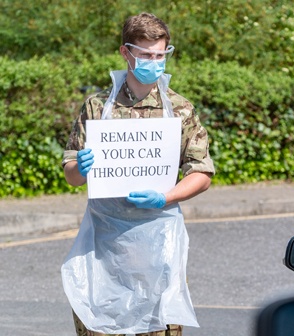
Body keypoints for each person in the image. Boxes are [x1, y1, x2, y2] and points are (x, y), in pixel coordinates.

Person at [60, 12, 215, 336]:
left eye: (161, 55)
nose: (154, 62)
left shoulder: (180, 109)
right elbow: (71, 174)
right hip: (103, 249)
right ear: (126, 52)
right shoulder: (97, 108)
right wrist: (81, 168)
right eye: (145, 54)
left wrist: (166, 196)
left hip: (157, 251)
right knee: (98, 325)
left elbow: (202, 172)